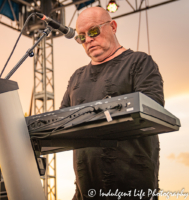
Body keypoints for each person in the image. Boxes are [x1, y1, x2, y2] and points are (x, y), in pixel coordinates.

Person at [60, 7, 164, 200]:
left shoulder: (139, 63)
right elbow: (60, 124)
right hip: (85, 191)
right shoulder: (76, 77)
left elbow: (152, 111)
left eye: (93, 31)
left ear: (113, 26)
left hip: (132, 189)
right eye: (81, 37)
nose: (88, 39)